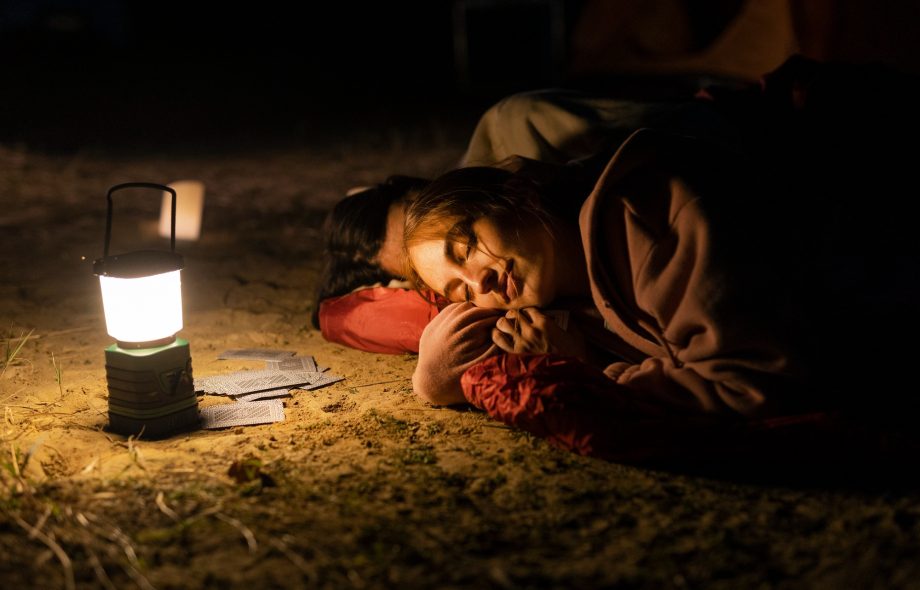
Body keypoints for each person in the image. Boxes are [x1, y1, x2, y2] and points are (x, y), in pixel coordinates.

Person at [403, 55, 920, 461]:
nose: (480, 282)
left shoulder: (649, 214)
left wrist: (590, 374)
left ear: (517, 191)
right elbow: (437, 373)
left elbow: (752, 386)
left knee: (513, 115)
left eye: (465, 248)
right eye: (459, 290)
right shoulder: (554, 300)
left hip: (887, 294)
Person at [314, 87, 740, 353]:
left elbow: (680, 143)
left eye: (462, 246)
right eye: (450, 285)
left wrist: (568, 175)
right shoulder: (493, 291)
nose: (478, 281)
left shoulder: (515, 136)